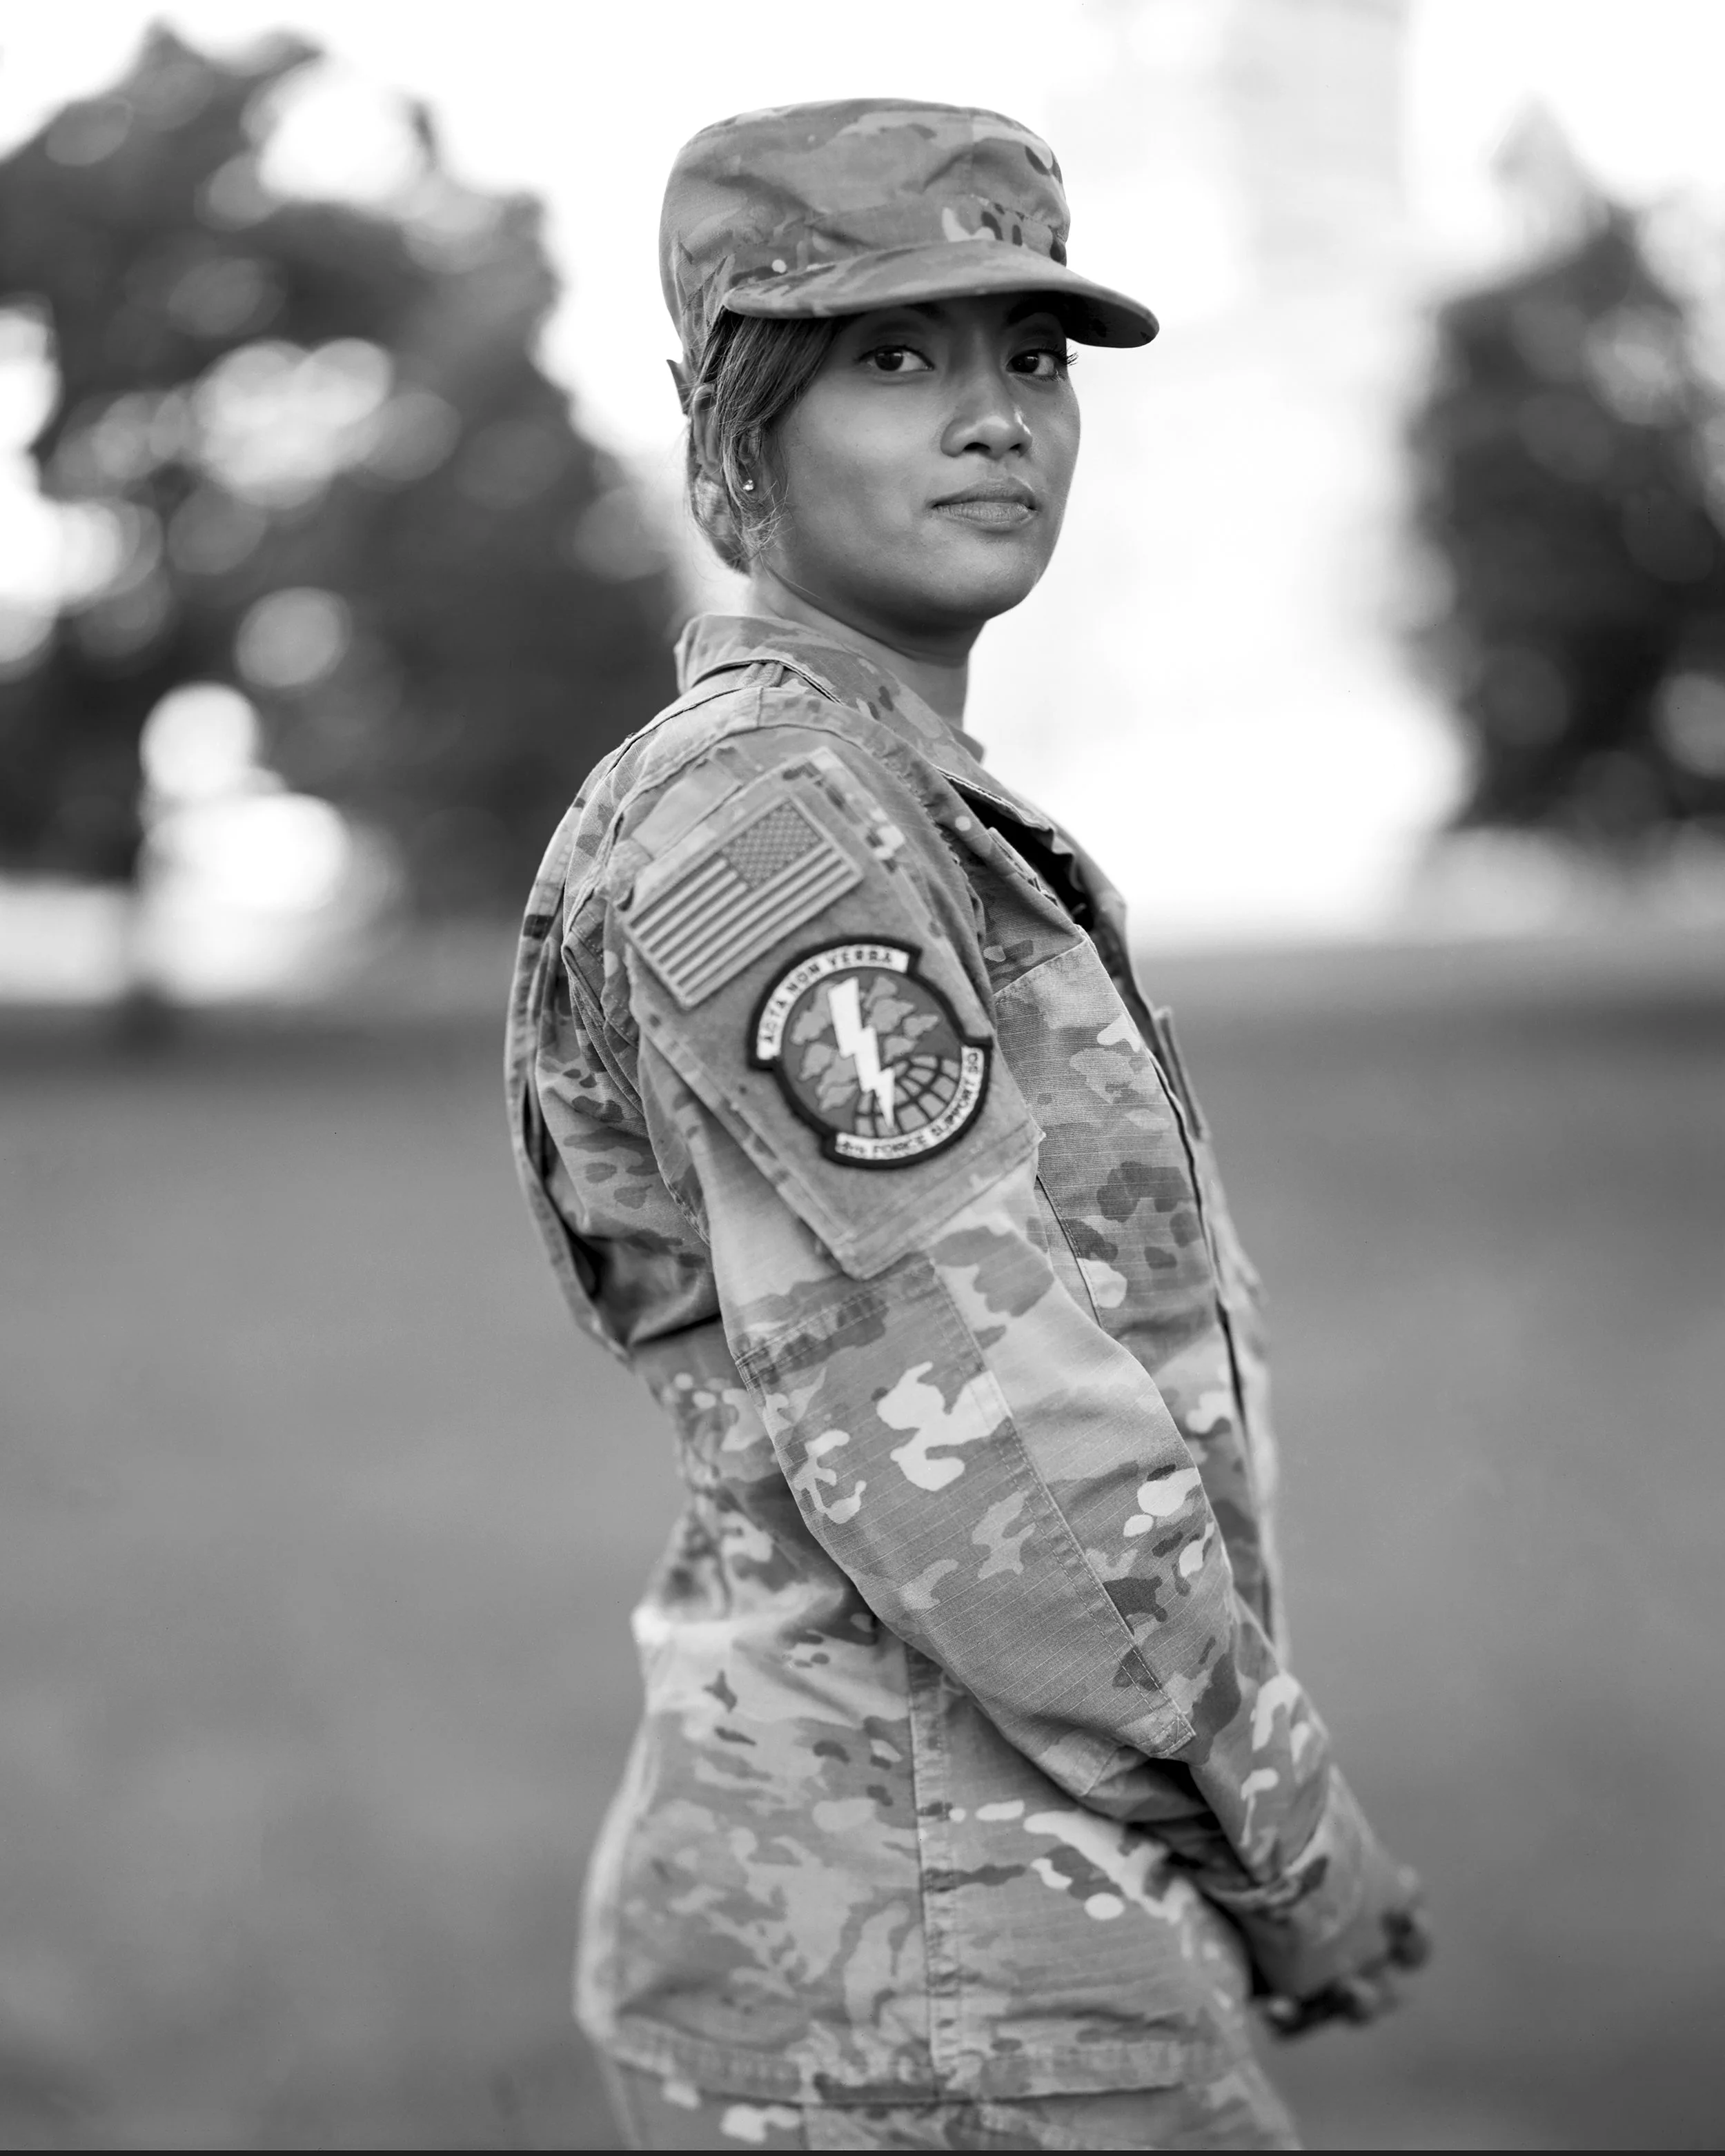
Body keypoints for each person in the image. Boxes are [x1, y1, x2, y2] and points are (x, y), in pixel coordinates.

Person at [507, 99, 1429, 2153]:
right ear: (734, 422)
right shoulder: (772, 822)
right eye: (894, 357)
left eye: (1029, 357)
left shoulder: (882, 787)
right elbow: (999, 1454)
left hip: (966, 1921)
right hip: (925, 1980)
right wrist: (1297, 1847)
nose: (997, 417)